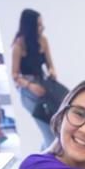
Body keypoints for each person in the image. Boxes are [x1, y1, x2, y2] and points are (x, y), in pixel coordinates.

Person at [11, 8, 57, 146]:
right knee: (47, 131)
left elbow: (50, 65)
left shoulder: (43, 41)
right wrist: (30, 86)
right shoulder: (18, 46)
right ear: (30, 26)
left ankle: (46, 157)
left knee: (55, 128)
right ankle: (48, 164)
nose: (42, 27)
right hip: (28, 90)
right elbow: (14, 75)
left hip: (42, 84)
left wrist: (52, 72)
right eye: (38, 24)